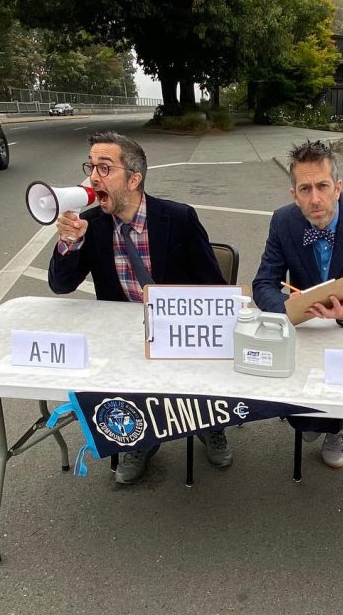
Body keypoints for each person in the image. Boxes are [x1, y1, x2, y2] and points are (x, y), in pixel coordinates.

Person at [49, 131, 233, 484]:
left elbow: (214, 286)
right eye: (91, 167)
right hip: (124, 336)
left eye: (105, 168)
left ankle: (211, 422)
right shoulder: (94, 224)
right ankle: (139, 436)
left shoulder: (178, 219)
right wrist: (69, 242)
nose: (93, 178)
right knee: (120, 369)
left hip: (180, 332)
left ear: (134, 179)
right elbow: (61, 285)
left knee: (203, 365)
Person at [252, 139, 343, 468]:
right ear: (294, 194)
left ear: (338, 187)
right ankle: (316, 419)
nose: (315, 199)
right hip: (305, 328)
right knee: (304, 419)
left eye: (322, 186)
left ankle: (337, 426)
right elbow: (264, 283)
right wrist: (289, 309)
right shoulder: (283, 221)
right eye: (305, 189)